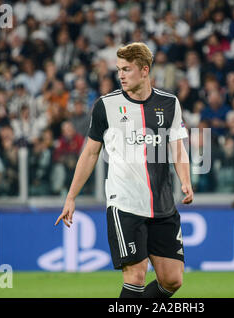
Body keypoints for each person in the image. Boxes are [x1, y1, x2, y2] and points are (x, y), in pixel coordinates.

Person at [54, 42, 193, 298]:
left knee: (172, 280)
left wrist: (185, 179)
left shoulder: (170, 103)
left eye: (126, 69)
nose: (120, 75)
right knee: (136, 274)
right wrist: (71, 197)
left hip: (162, 205)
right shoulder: (105, 106)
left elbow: (178, 148)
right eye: (119, 69)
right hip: (125, 204)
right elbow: (90, 152)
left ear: (144, 70)